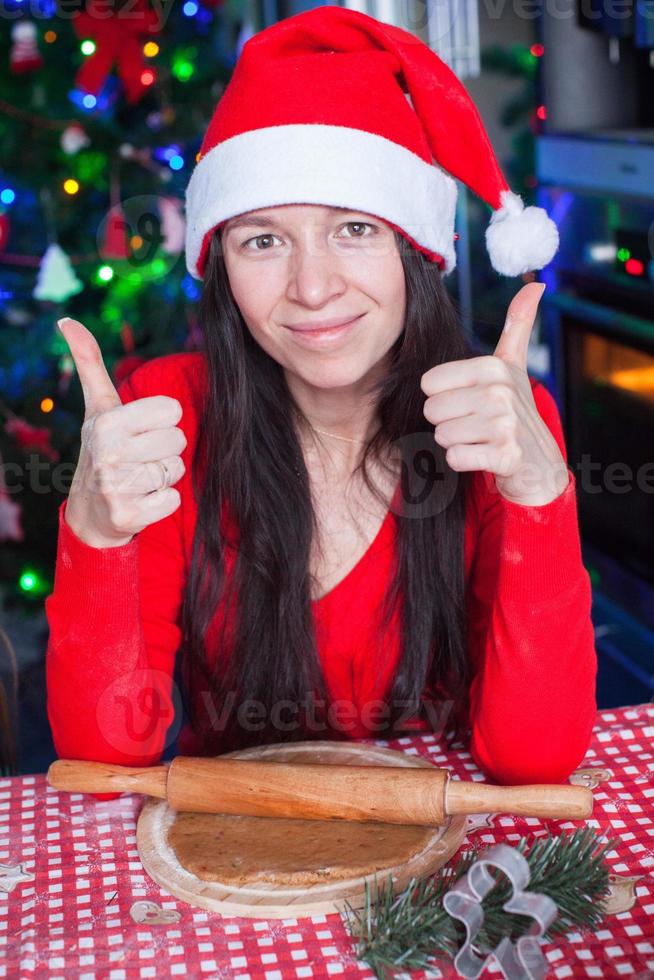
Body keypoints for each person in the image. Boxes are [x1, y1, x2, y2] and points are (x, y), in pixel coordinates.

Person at [45, 5, 597, 801]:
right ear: (221, 267)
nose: (312, 288)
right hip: (232, 870)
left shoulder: (499, 419)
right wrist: (95, 533)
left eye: (355, 229)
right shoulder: (163, 414)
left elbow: (534, 761)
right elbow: (107, 760)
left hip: (438, 875)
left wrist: (539, 498)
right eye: (263, 240)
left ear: (417, 249)